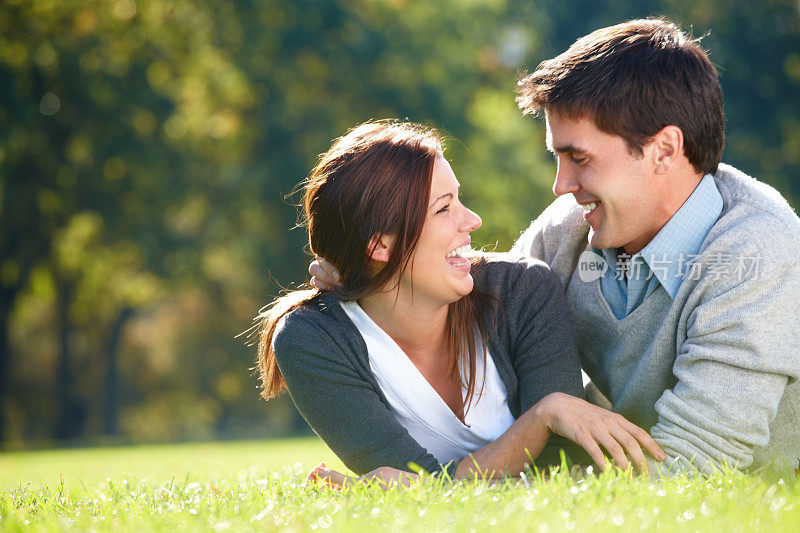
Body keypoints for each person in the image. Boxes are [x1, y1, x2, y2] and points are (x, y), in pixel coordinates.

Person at [312, 19, 800, 478]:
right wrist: (371, 274)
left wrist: (448, 493)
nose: (561, 185)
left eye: (579, 158)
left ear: (664, 151)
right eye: (557, 157)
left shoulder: (756, 254)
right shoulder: (569, 232)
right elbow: (481, 302)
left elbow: (691, 469)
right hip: (628, 483)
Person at [255, 120, 664, 487]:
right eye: (444, 208)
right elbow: (420, 485)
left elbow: (564, 470)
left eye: (459, 200)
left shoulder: (523, 290)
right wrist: (540, 419)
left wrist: (424, 489)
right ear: (380, 244)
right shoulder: (313, 340)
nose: (472, 221)